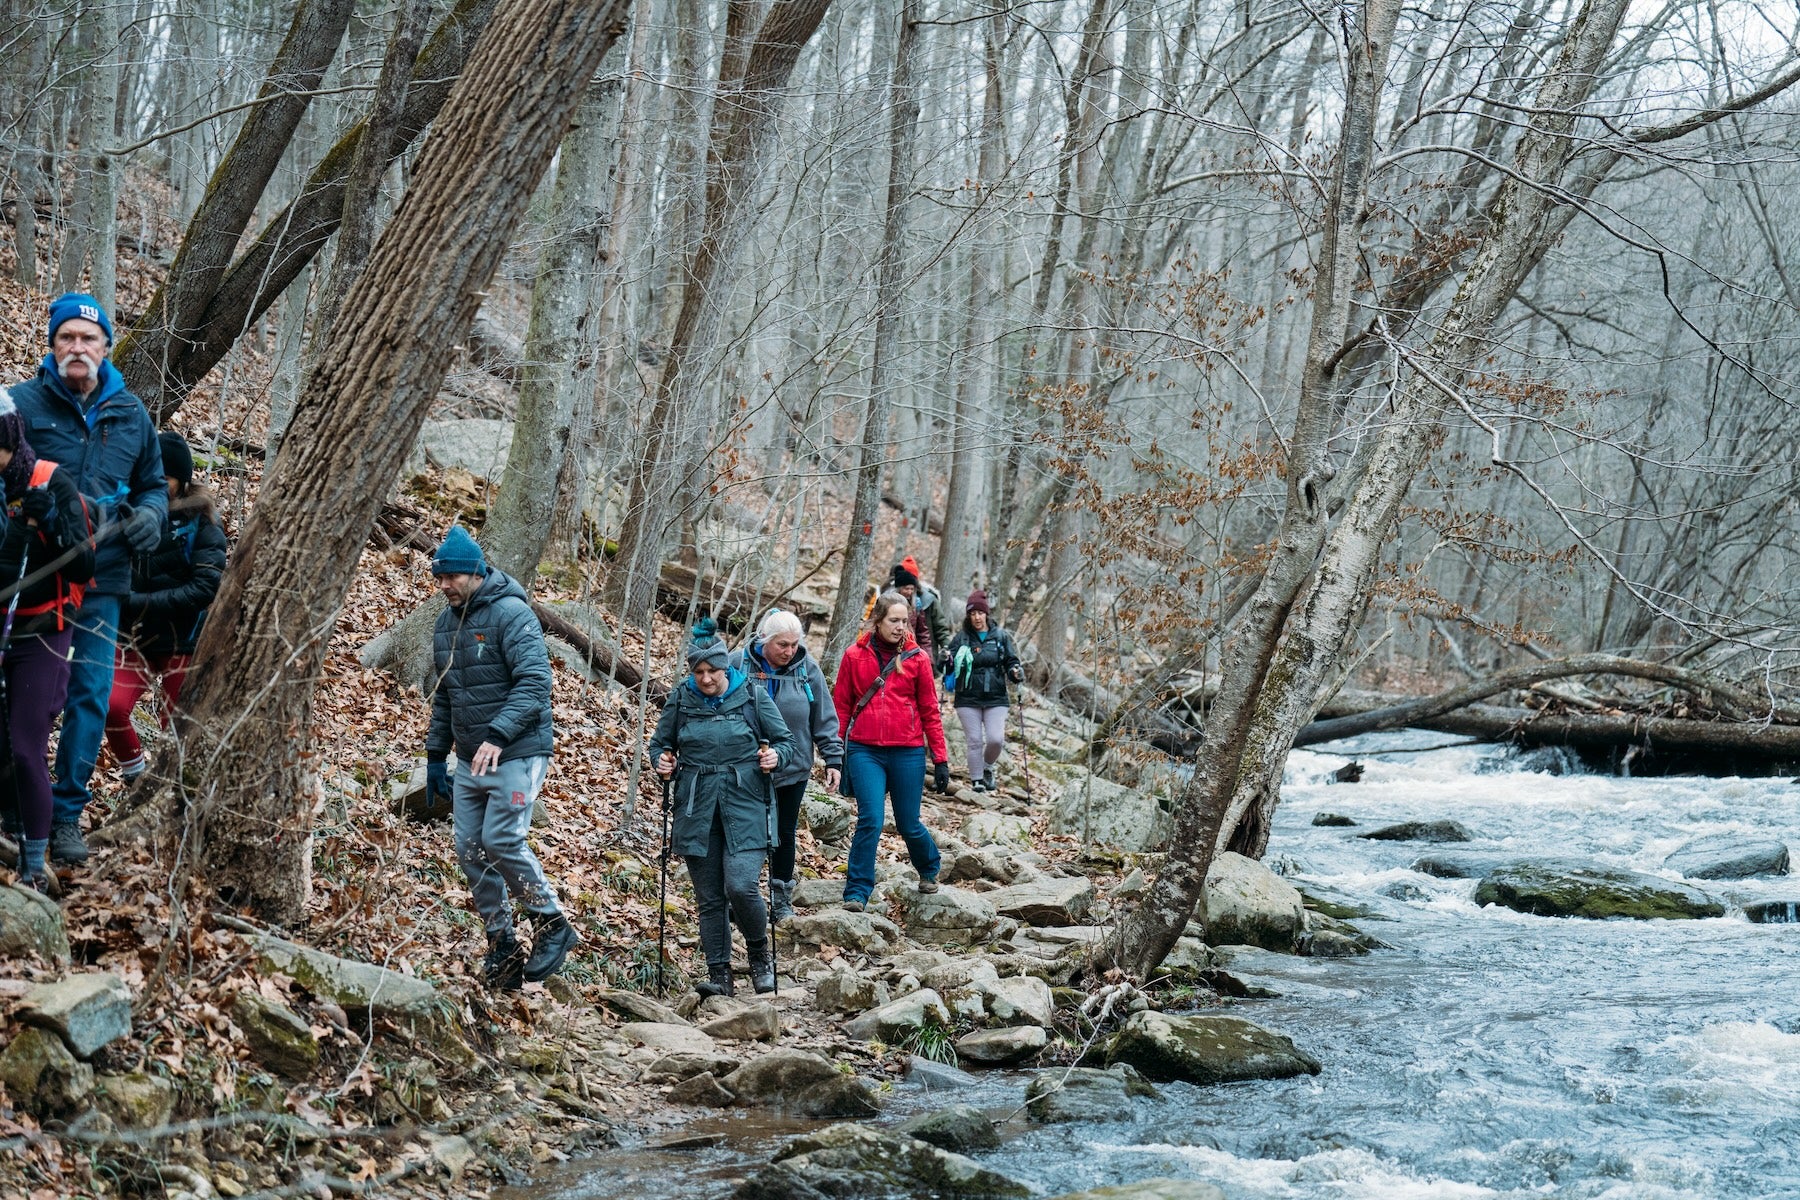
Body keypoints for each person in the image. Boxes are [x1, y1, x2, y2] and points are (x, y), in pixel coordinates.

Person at [10, 294, 164, 866]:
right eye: (67, 337)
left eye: (88, 338)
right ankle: (20, 808)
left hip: (106, 579)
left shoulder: (131, 412)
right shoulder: (21, 404)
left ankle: (68, 814)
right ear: (52, 345)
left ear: (106, 346)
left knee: (91, 698)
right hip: (40, 581)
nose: (78, 348)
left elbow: (152, 483)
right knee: (31, 698)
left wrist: (153, 515)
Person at [424, 526, 574, 989]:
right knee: (469, 849)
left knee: (502, 839)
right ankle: (503, 945)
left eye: (451, 577)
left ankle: (551, 923)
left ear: (475, 572)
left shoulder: (513, 614)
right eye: (439, 578)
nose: (444, 585)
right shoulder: (444, 625)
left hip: (517, 751)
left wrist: (497, 735)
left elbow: (535, 683)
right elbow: (446, 696)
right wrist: (435, 755)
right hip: (470, 758)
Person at [651, 619, 795, 996]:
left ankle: (760, 955)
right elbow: (659, 745)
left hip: (746, 801)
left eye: (712, 670)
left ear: (725, 667)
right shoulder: (681, 697)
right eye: (698, 671)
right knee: (709, 897)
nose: (706, 679)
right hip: (696, 806)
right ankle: (719, 975)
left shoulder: (752, 696)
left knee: (741, 885)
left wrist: (775, 756)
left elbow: (786, 742)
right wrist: (661, 762)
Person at [0, 390, 97, 891]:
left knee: (24, 747)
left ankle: (34, 870)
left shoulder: (50, 480)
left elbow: (84, 562)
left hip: (42, 633)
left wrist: (53, 524)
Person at [104, 432, 226, 781]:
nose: (156, 483)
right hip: (131, 639)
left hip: (183, 642)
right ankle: (135, 775)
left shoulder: (203, 524)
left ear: (182, 480)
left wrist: (137, 603)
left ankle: (171, 791)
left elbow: (205, 587)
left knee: (178, 733)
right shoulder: (124, 514)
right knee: (109, 706)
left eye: (165, 477)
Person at [832, 589, 950, 911]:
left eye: (905, 620)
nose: (901, 626)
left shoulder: (918, 658)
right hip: (864, 749)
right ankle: (856, 892)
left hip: (907, 751)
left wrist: (940, 758)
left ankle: (928, 867)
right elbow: (842, 705)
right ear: (878, 621)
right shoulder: (854, 656)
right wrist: (834, 751)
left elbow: (929, 709)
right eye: (894, 620)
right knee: (870, 818)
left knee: (908, 822)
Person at [727, 608, 843, 924]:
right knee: (745, 832)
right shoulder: (738, 664)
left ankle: (780, 900)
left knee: (783, 832)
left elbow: (823, 716)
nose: (789, 651)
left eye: (794, 644)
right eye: (782, 645)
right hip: (745, 768)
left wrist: (833, 758)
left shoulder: (807, 669)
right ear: (765, 639)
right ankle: (740, 898)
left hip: (793, 767)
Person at [942, 589, 1025, 792]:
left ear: (986, 614)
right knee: (974, 741)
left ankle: (987, 767)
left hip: (996, 696)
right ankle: (977, 781)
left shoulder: (1000, 637)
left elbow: (1011, 661)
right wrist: (944, 659)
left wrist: (1015, 671)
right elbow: (946, 666)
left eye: (979, 613)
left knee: (996, 739)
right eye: (972, 614)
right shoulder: (961, 638)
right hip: (968, 697)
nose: (976, 617)